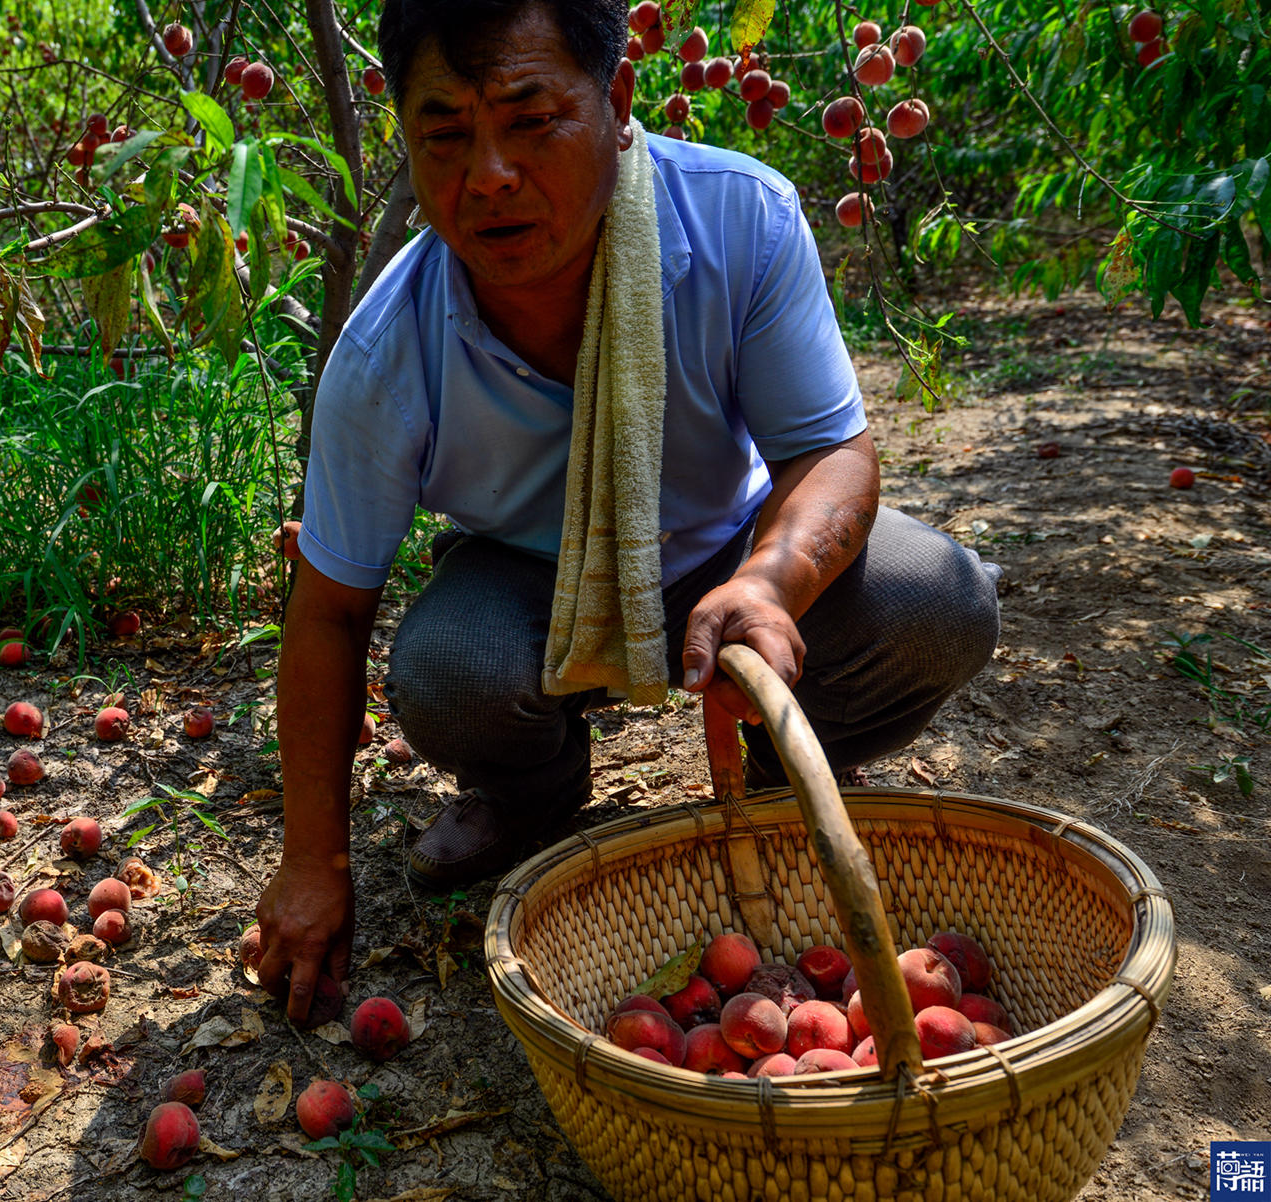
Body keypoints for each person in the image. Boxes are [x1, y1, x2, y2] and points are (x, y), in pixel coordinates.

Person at [253, 0, 1000, 1023]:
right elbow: (330, 609)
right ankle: (531, 790)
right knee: (446, 672)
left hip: (728, 542)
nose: (490, 177)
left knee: (936, 599)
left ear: (616, 101)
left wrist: (771, 583)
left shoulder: (740, 219)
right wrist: (311, 861)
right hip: (526, 576)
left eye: (530, 118)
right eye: (445, 135)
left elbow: (832, 452)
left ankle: (794, 754)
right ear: (407, 139)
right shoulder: (388, 353)